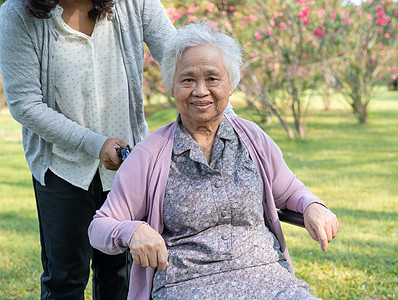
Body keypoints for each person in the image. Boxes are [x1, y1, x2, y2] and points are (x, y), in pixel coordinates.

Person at [0, 0, 236, 299]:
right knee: (66, 277)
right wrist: (95, 145)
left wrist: (233, 126)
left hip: (129, 167)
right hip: (62, 166)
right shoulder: (17, 13)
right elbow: (25, 104)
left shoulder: (134, 4)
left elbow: (184, 61)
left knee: (120, 277)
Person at [88, 22, 339, 300]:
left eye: (212, 78)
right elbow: (100, 226)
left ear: (230, 85)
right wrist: (132, 230)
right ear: (172, 87)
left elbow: (291, 191)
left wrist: (313, 206)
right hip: (187, 284)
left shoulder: (252, 138)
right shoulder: (150, 154)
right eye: (187, 80)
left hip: (267, 277)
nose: (200, 91)